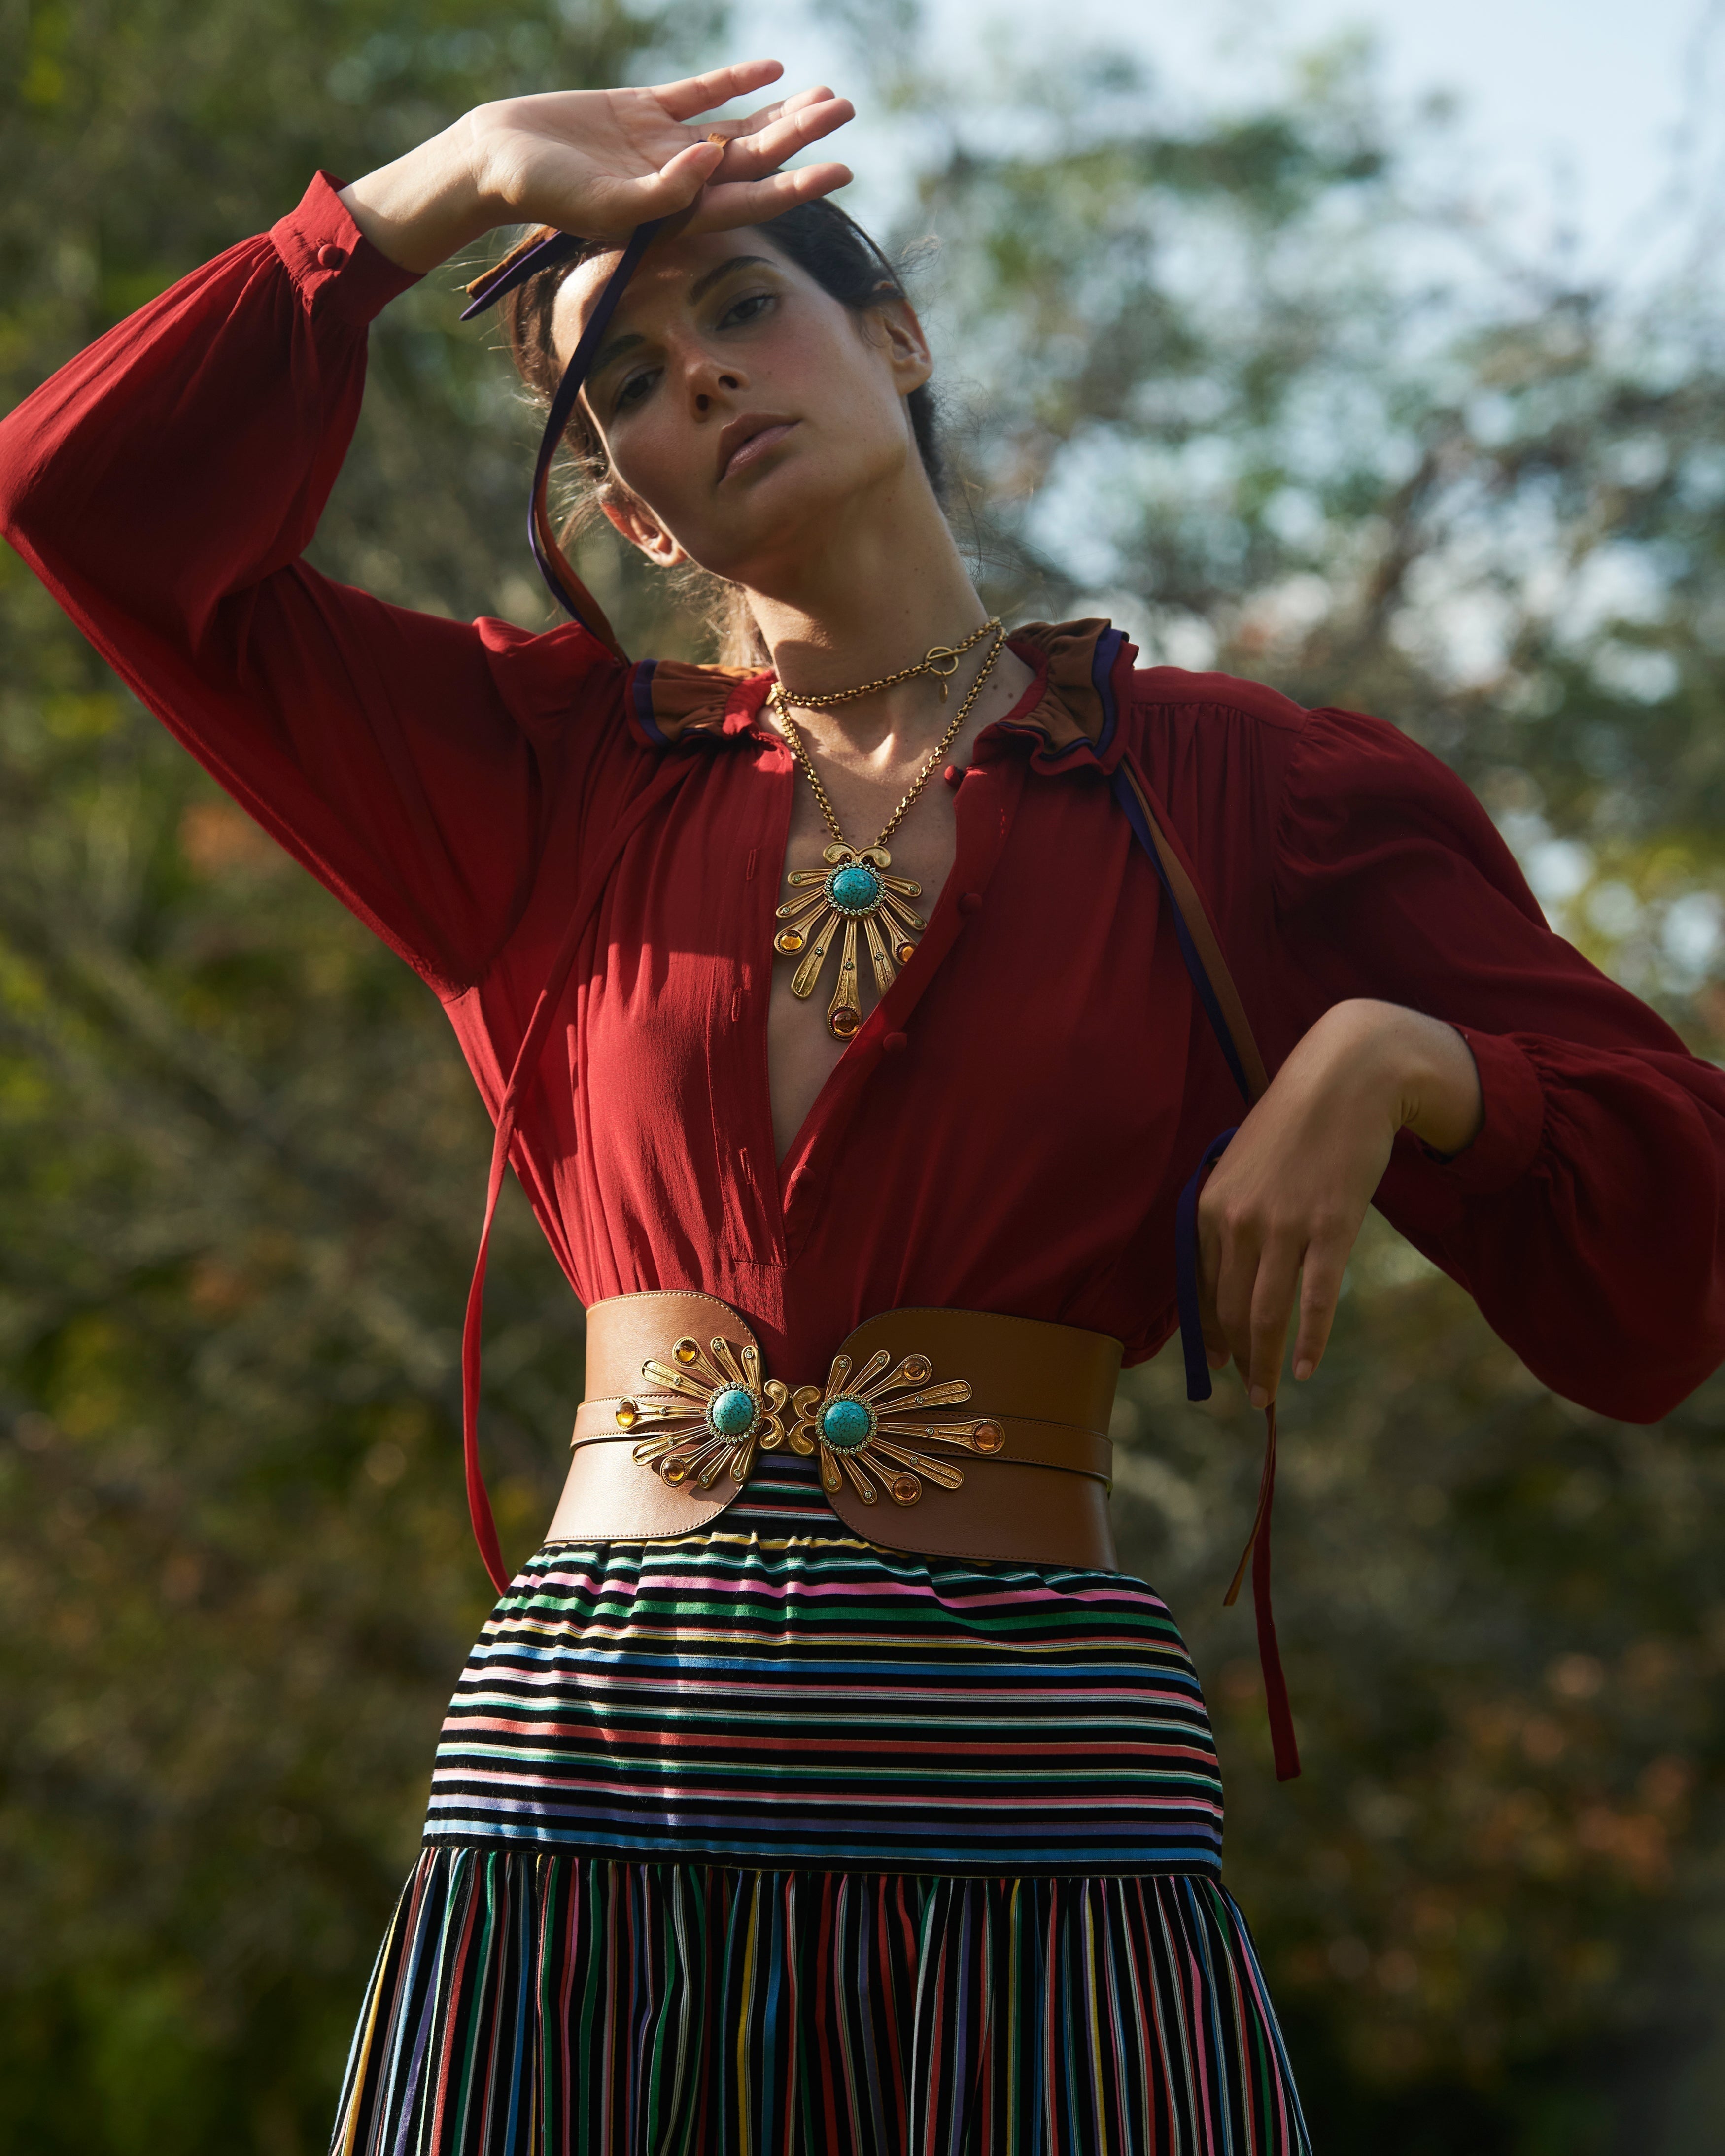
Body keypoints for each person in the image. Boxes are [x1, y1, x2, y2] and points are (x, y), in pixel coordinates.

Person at [5, 55, 1724, 2156]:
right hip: (584, 1803)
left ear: (893, 338)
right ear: (634, 512)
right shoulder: (537, 783)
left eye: (746, 307)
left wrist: (1397, 1057)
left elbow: (1676, 1225)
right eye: (627, 383)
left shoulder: (1242, 791)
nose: (702, 378)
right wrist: (431, 187)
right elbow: (80, 497)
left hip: (1038, 1803)